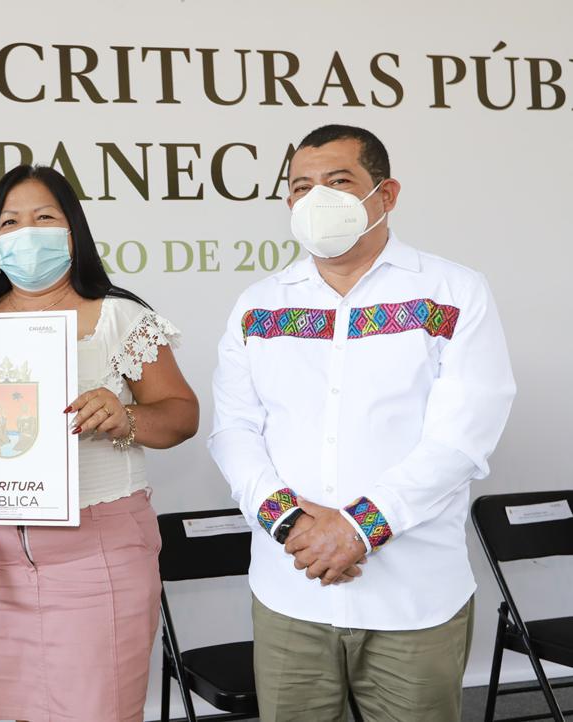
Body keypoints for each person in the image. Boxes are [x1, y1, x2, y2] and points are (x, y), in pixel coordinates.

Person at [208, 124, 516, 721]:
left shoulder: (453, 292)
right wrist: (292, 524)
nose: (316, 198)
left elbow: (462, 438)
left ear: (387, 194)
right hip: (290, 590)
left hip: (413, 596)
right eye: (302, 187)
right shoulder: (259, 306)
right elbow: (235, 432)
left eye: (338, 181)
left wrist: (358, 528)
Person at [0, 165, 200, 722]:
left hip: (98, 555)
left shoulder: (119, 317)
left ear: (72, 231)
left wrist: (125, 416)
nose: (27, 233)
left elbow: (182, 416)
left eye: (44, 217)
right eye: (10, 222)